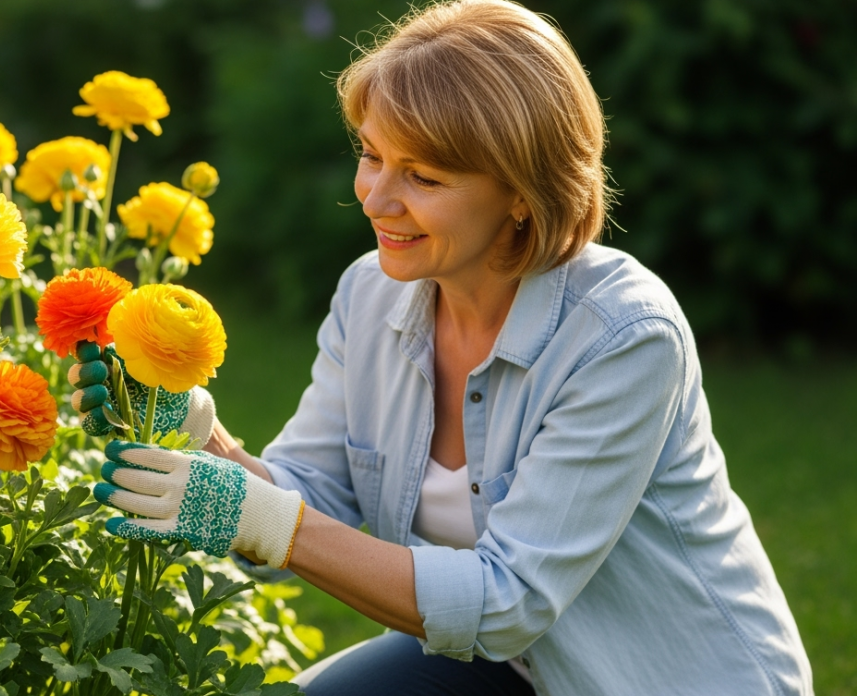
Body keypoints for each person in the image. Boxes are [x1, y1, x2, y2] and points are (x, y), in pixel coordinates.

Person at [71, 0, 813, 693]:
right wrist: (195, 433)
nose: (376, 197)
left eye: (423, 175)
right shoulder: (372, 294)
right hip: (512, 667)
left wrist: (252, 514)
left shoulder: (623, 338)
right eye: (371, 155)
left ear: (523, 191)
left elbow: (506, 603)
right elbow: (309, 497)